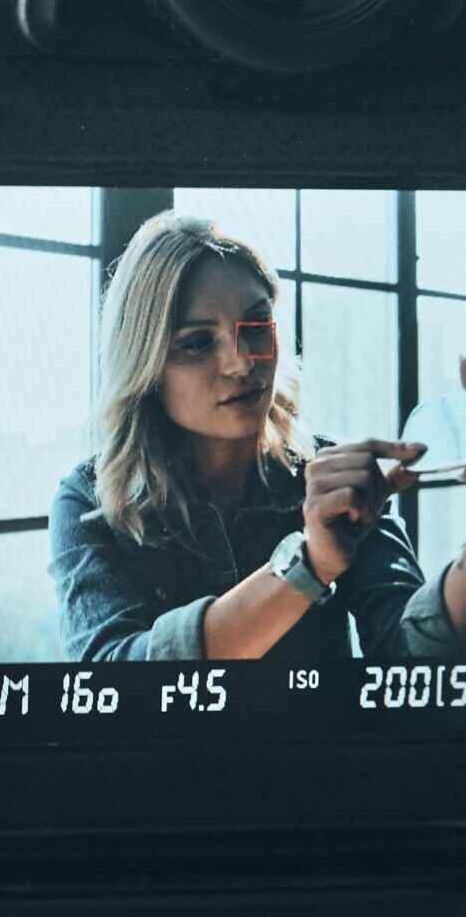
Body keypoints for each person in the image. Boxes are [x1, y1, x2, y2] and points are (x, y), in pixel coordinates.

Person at [49, 210, 466, 665]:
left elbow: (412, 660)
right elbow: (113, 678)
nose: (243, 363)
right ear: (144, 366)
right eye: (197, 342)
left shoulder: (328, 478)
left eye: (256, 326)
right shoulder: (90, 500)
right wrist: (309, 566)